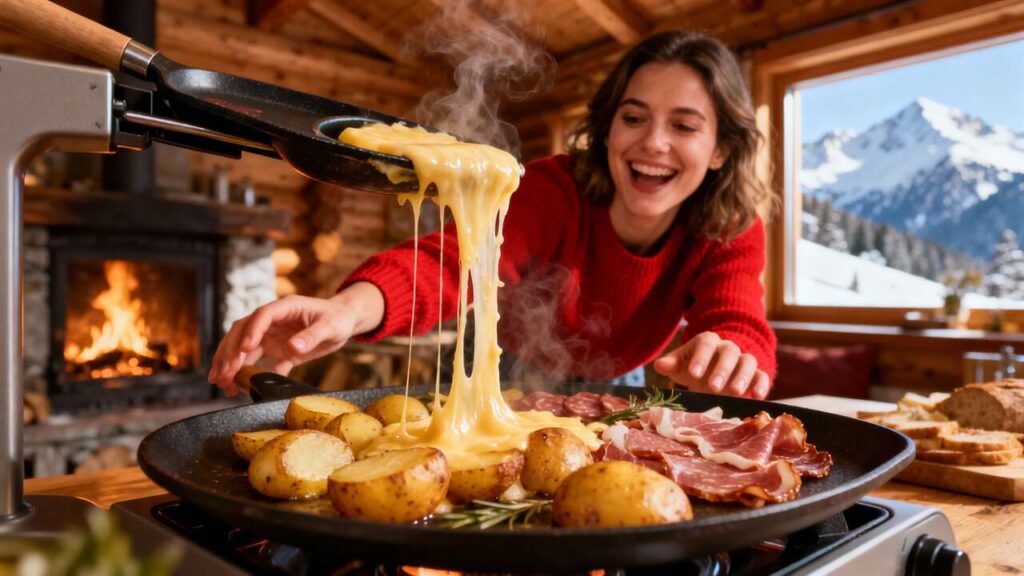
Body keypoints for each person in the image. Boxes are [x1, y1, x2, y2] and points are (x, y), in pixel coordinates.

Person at [208, 30, 777, 400]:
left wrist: (732, 356)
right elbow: (452, 261)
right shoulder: (554, 189)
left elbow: (738, 323)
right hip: (495, 367)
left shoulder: (729, 226)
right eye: (633, 118)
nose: (653, 142)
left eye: (684, 125)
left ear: (721, 149)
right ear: (608, 129)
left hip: (620, 382)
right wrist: (343, 311)